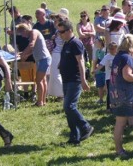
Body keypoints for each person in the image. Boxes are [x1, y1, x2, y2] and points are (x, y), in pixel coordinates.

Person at [57, 18, 94, 146]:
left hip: (74, 80)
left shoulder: (75, 43)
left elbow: (81, 61)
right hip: (67, 80)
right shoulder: (66, 43)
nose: (59, 34)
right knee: (69, 109)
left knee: (69, 106)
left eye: (62, 32)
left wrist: (83, 80)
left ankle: (86, 127)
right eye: (59, 32)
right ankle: (74, 138)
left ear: (70, 31)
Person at [110, 34, 133, 158]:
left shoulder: (119, 56)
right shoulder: (127, 58)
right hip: (123, 95)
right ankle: (119, 150)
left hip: (117, 93)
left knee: (120, 122)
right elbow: (127, 75)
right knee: (120, 123)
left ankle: (119, 148)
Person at [15, 23, 52, 107]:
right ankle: (43, 101)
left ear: (24, 30)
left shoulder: (33, 32)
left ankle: (40, 102)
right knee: (43, 80)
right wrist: (22, 54)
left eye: (21, 34)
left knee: (38, 81)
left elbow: (31, 45)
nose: (22, 36)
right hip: (41, 59)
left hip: (43, 59)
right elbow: (33, 49)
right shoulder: (32, 34)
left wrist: (23, 54)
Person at [92, 36, 107, 105]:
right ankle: (101, 99)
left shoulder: (105, 51)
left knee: (105, 86)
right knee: (100, 86)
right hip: (99, 71)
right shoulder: (97, 51)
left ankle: (109, 99)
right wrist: (94, 70)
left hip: (105, 71)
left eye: (96, 41)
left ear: (101, 42)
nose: (95, 43)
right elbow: (95, 61)